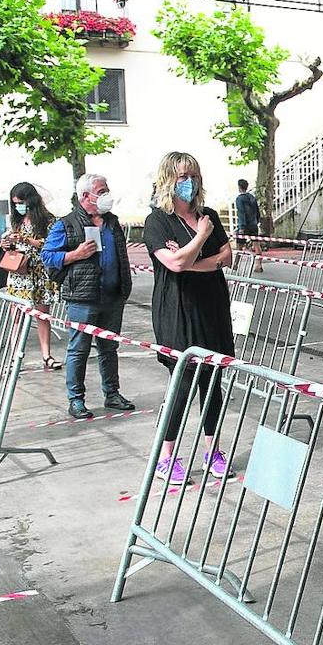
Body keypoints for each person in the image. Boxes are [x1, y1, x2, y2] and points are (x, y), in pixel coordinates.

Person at [143, 152, 236, 481]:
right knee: (182, 381)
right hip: (177, 311)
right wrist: (199, 239)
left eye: (194, 175)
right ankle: (166, 456)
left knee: (213, 383)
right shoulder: (157, 221)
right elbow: (174, 265)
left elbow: (227, 256)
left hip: (213, 308)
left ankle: (213, 450)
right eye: (183, 176)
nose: (190, 182)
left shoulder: (208, 215)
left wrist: (193, 259)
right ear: (169, 180)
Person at [40, 173, 135, 420]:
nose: (107, 195)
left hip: (113, 296)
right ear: (85, 196)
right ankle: (76, 399)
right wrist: (75, 255)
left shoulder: (112, 222)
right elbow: (47, 256)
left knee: (109, 348)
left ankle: (112, 393)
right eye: (101, 191)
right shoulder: (67, 224)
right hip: (83, 297)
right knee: (79, 349)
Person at [1, 182, 61, 371]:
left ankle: (46, 355)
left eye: (21, 202)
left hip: (39, 271)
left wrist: (25, 239)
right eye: (15, 203)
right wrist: (7, 244)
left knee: (42, 315)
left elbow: (49, 243)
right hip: (19, 271)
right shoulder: (15, 221)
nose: (18, 206)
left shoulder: (47, 220)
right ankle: (14, 357)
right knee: (16, 315)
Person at [234, 179, 261, 273]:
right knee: (256, 244)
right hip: (253, 225)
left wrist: (241, 227)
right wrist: (256, 221)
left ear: (239, 187)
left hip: (244, 225)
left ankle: (235, 265)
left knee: (239, 246)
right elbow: (257, 212)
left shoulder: (239, 199)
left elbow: (241, 213)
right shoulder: (252, 197)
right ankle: (258, 265)